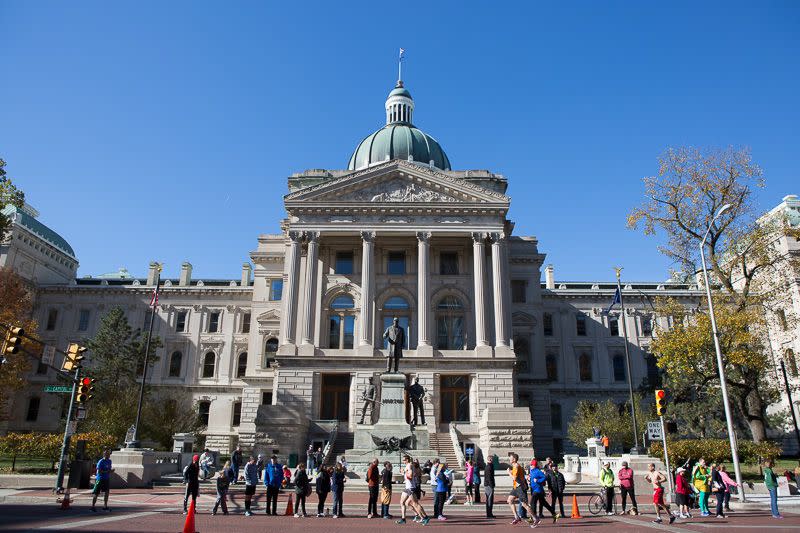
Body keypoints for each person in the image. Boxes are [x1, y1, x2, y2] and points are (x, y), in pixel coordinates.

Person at [505, 452, 534, 525]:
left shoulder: (516, 466)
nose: (509, 459)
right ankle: (517, 517)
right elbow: (518, 474)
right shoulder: (515, 466)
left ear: (514, 459)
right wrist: (511, 471)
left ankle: (535, 517)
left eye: (510, 458)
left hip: (520, 487)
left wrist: (509, 472)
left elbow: (514, 477)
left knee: (524, 504)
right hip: (516, 487)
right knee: (509, 500)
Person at [529, 459, 560, 526]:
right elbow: (532, 479)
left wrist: (537, 480)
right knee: (544, 503)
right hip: (535, 490)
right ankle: (554, 514)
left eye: (532, 465)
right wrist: (529, 479)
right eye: (531, 464)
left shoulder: (538, 471)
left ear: (535, 465)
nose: (531, 465)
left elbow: (544, 478)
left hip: (538, 490)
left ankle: (534, 518)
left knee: (532, 503)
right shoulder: (531, 471)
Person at [484, 454, 496, 518]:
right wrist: (492, 486)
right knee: (489, 500)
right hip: (489, 485)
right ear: (490, 459)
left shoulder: (488, 466)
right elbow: (489, 477)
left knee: (489, 500)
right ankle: (489, 514)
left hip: (487, 484)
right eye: (492, 459)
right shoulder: (489, 467)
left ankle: (489, 513)